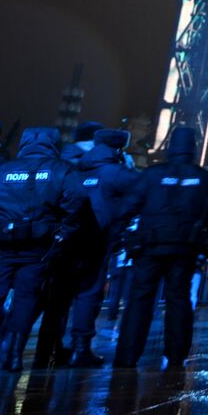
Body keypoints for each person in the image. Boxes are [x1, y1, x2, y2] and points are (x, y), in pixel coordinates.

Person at [112, 125, 208, 368]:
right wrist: (207, 250)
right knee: (179, 299)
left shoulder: (152, 174)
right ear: (193, 148)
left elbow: (127, 207)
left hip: (150, 244)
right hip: (185, 248)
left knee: (140, 299)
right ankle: (176, 355)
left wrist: (124, 238)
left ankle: (128, 355)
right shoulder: (204, 178)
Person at [0, 126, 82, 372]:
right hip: (41, 245)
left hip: (3, 243)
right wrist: (64, 232)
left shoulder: (2, 170)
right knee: (26, 297)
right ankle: (13, 355)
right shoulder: (62, 169)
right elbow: (77, 201)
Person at [62, 127, 138, 367]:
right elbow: (142, 192)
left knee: (60, 295)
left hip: (69, 239)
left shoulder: (75, 170)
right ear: (118, 148)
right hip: (99, 239)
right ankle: (80, 347)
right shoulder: (117, 172)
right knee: (89, 294)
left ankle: (51, 347)